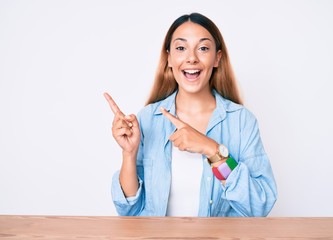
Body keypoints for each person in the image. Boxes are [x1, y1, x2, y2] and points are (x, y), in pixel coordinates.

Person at [104, 12, 277, 217]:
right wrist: (129, 154)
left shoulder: (241, 121)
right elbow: (129, 210)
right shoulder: (148, 119)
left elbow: (260, 205)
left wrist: (212, 149)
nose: (192, 58)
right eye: (181, 48)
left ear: (217, 58)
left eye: (203, 48)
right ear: (169, 58)